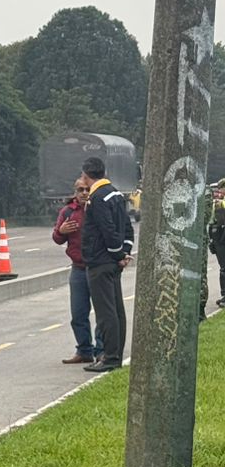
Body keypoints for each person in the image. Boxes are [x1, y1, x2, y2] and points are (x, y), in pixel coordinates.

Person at [80, 157, 134, 373]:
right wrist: (124, 252)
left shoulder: (98, 198)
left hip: (100, 261)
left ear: (86, 175)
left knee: (105, 313)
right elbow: (127, 228)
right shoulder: (116, 194)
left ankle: (110, 357)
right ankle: (115, 354)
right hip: (112, 262)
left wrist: (117, 253)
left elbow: (107, 230)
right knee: (117, 311)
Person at [52, 176, 100, 364]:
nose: (84, 193)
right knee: (78, 313)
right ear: (75, 192)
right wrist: (61, 231)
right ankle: (84, 350)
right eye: (80, 190)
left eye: (87, 189)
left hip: (97, 268)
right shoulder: (67, 212)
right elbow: (57, 239)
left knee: (102, 312)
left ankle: (101, 350)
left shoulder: (97, 208)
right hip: (78, 269)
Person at [208, 179, 225, 308]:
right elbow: (212, 221)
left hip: (222, 238)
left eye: (221, 188)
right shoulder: (217, 203)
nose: (219, 191)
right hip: (218, 238)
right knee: (223, 268)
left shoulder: (221, 204)